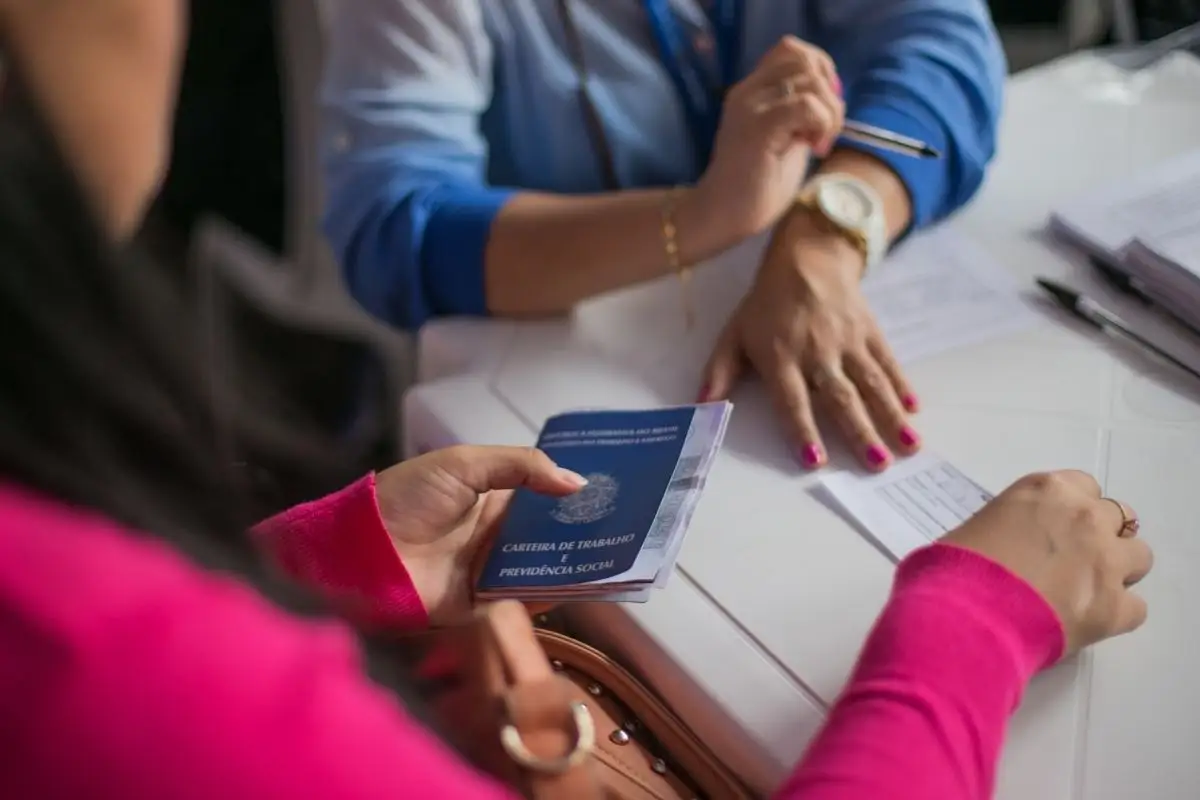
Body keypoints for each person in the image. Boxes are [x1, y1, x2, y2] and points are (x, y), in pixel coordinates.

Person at [0, 2, 1153, 798]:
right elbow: (395, 224)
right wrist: (971, 625)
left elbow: (939, 36)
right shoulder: (116, 672)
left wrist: (323, 558)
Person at [321, 0, 1006, 473]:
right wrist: (703, 216)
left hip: (775, 312)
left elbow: (942, 38)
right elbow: (394, 231)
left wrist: (826, 232)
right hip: (562, 372)